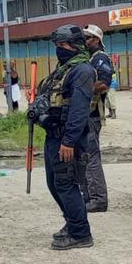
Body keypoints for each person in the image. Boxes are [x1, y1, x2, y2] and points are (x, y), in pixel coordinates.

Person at [35, 24, 96, 250]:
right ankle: (72, 222)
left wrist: (69, 141)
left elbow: (79, 111)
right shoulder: (63, 69)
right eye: (57, 46)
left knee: (65, 183)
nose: (59, 49)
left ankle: (80, 233)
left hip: (68, 140)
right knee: (54, 183)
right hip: (54, 135)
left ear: (75, 46)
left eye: (63, 45)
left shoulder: (82, 71)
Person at [81, 24, 114, 213]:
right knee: (85, 157)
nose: (85, 41)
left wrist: (80, 88)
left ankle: (98, 199)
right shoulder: (89, 58)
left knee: (91, 157)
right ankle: (89, 196)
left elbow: (104, 84)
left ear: (97, 40)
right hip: (85, 113)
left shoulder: (100, 58)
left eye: (88, 38)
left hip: (92, 114)